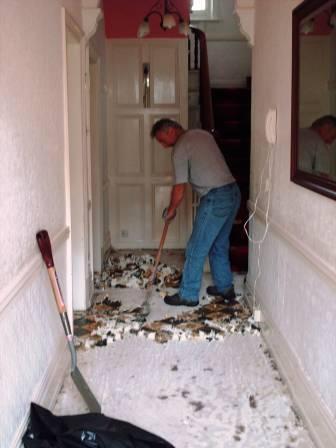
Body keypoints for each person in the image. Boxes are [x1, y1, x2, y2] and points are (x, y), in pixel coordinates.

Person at [151, 119, 241, 307]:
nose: (163, 145)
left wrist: (171, 210)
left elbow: (179, 188)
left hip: (216, 198)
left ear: (170, 131)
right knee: (219, 244)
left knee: (195, 247)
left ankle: (188, 294)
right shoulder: (202, 134)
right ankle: (225, 288)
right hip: (233, 193)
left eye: (162, 140)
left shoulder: (180, 148)